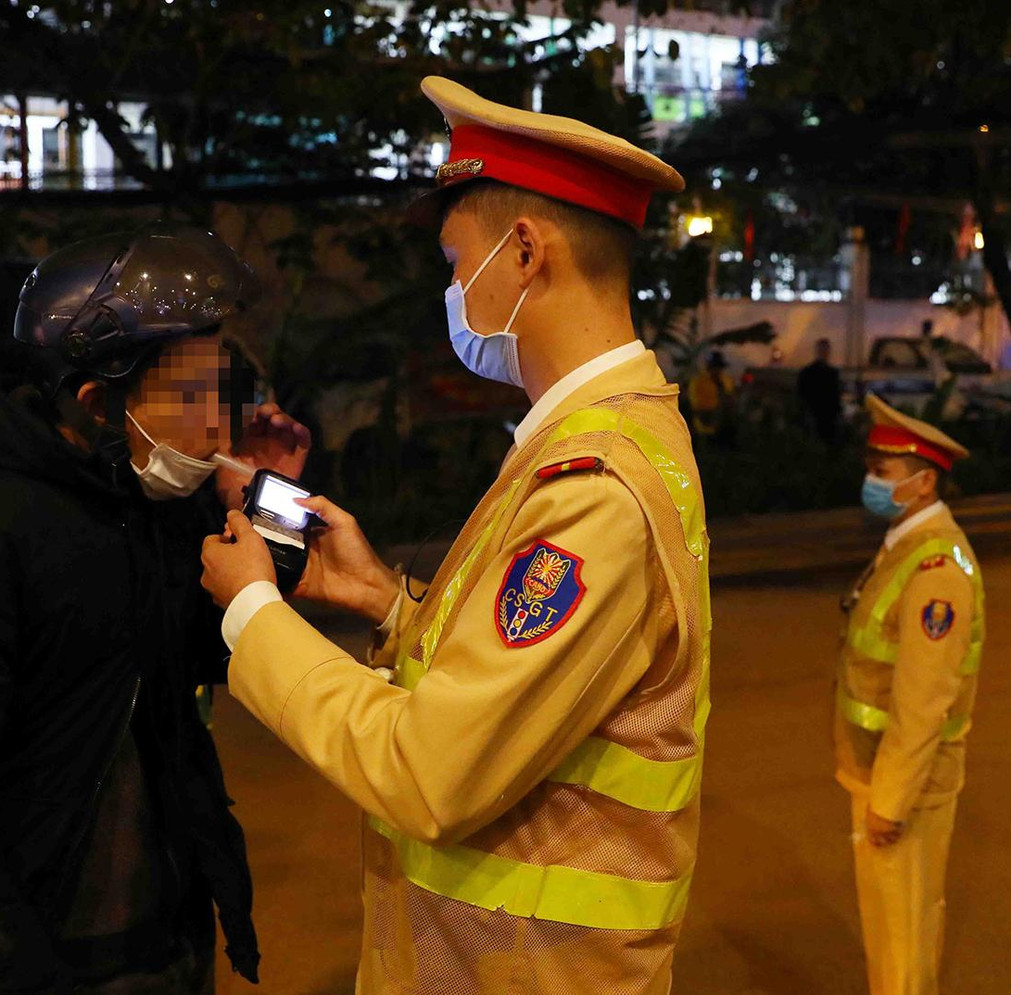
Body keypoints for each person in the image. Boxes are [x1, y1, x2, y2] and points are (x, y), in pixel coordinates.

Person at [202, 77, 706, 994]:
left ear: (523, 251)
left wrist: (251, 615)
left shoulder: (593, 485)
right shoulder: (593, 442)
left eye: (453, 259)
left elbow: (429, 770)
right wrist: (384, 601)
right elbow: (527, 685)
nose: (450, 288)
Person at [0, 224, 310, 995]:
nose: (220, 424)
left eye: (224, 388)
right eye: (194, 395)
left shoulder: (146, 500)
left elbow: (226, 643)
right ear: (98, 403)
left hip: (159, 952)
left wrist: (272, 500)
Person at [837, 394, 982, 995]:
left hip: (907, 785)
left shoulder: (935, 571)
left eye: (883, 472)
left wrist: (890, 802)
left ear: (923, 483)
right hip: (876, 770)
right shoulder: (903, 544)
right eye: (871, 467)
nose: (871, 480)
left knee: (902, 935)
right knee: (890, 926)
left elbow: (923, 702)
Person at [798, 337, 844, 446]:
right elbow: (836, 395)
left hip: (819, 415)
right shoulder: (832, 373)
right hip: (824, 415)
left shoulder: (807, 372)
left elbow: (801, 394)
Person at [688, 349, 737, 444]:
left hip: (724, 417)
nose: (717, 370)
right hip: (706, 416)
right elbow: (697, 404)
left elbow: (731, 396)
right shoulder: (698, 381)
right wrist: (718, 403)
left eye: (719, 367)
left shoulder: (726, 380)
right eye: (714, 367)